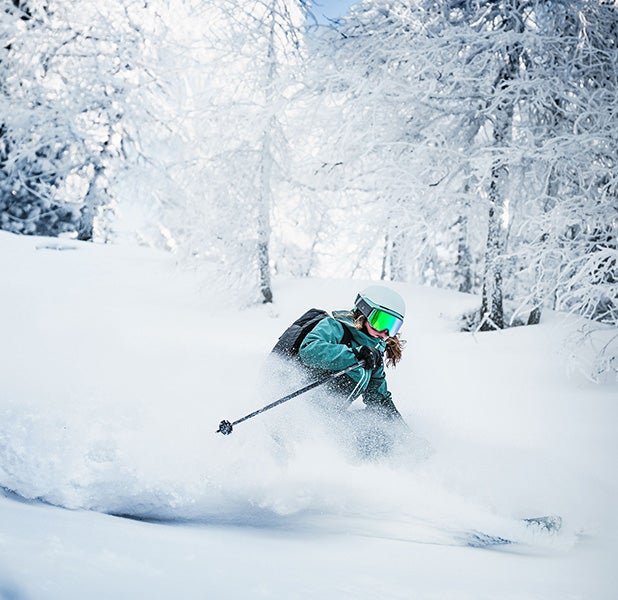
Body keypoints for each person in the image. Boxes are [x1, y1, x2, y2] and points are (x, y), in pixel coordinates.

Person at [297, 285, 408, 455]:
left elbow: (379, 399)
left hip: (330, 419)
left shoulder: (374, 354)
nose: (385, 333)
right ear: (364, 312)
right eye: (381, 322)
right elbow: (309, 350)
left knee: (379, 438)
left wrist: (407, 437)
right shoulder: (335, 327)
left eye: (392, 327)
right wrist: (354, 354)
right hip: (299, 412)